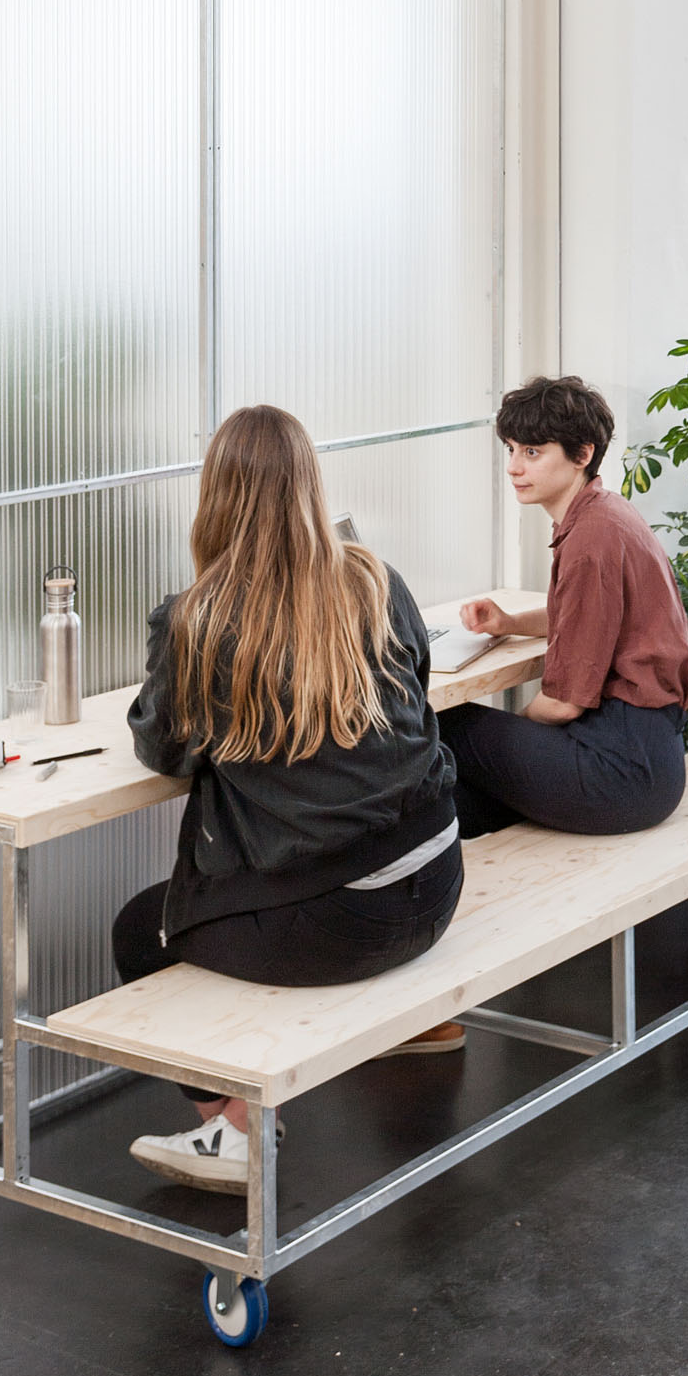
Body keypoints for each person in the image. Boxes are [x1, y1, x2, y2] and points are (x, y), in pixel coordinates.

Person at [112, 404, 462, 1189]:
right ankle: (242, 1122)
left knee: (142, 931)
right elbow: (419, 701)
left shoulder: (199, 620)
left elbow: (162, 749)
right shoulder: (373, 579)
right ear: (310, 483)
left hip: (343, 923)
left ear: (216, 498)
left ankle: (234, 1134)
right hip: (437, 883)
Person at [446, 373, 688, 840]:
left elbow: (563, 704)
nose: (514, 468)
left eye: (533, 452)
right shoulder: (604, 513)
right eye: (512, 450)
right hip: (648, 761)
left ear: (582, 454)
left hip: (621, 773)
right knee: (465, 802)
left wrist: (510, 747)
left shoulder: (590, 539)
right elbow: (590, 618)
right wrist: (510, 622)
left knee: (447, 727)